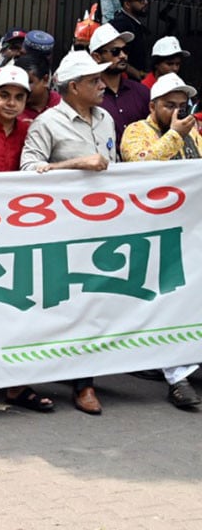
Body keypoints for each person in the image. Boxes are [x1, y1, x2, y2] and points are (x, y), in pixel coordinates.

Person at [20, 51, 116, 417]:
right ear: (73, 87)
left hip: (103, 228)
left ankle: (84, 381)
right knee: (62, 304)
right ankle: (52, 376)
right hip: (60, 230)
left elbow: (115, 166)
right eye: (94, 81)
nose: (103, 85)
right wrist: (77, 164)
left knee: (93, 303)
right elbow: (29, 171)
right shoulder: (47, 123)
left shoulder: (106, 118)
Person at [117, 72, 202, 409]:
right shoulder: (137, 130)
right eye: (170, 105)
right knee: (169, 300)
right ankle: (177, 377)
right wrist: (173, 136)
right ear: (153, 105)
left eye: (183, 106)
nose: (179, 112)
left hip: (191, 226)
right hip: (154, 230)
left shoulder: (192, 131)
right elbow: (139, 166)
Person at [88, 23, 151, 147]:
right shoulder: (88, 96)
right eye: (115, 51)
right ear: (96, 57)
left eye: (125, 50)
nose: (123, 55)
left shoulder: (142, 92)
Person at [105, 0, 151, 79]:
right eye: (141, 0)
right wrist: (138, 75)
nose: (146, 3)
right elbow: (114, 55)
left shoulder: (133, 22)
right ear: (127, 4)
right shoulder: (121, 24)